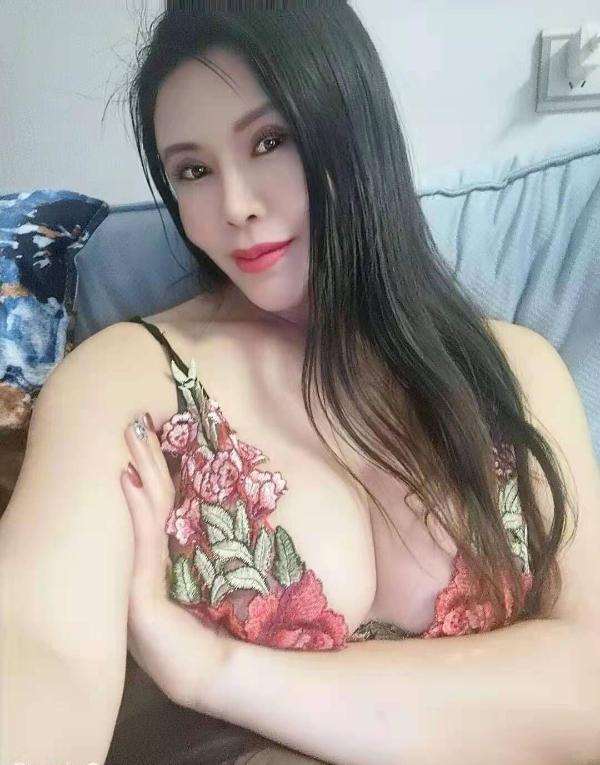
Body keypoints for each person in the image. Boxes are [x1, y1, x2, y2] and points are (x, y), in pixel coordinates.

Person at [2, 2, 582, 764]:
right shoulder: (125, 377)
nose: (236, 206)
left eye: (269, 141)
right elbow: (40, 648)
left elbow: (585, 683)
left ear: (353, 128)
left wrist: (215, 668)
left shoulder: (518, 373)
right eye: (193, 170)